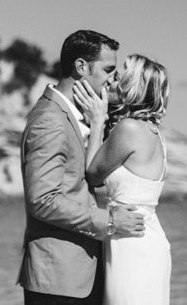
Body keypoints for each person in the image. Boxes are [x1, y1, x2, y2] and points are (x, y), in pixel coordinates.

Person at [18, 30, 146, 305]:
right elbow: (42, 200)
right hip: (59, 281)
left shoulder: (79, 117)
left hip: (82, 274)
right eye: (108, 69)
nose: (114, 78)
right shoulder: (49, 121)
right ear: (80, 67)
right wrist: (110, 221)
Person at [74, 54, 172, 305]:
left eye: (119, 77)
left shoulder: (129, 128)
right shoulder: (153, 132)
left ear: (133, 86)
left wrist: (97, 121)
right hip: (141, 237)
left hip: (132, 244)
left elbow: (93, 174)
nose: (111, 81)